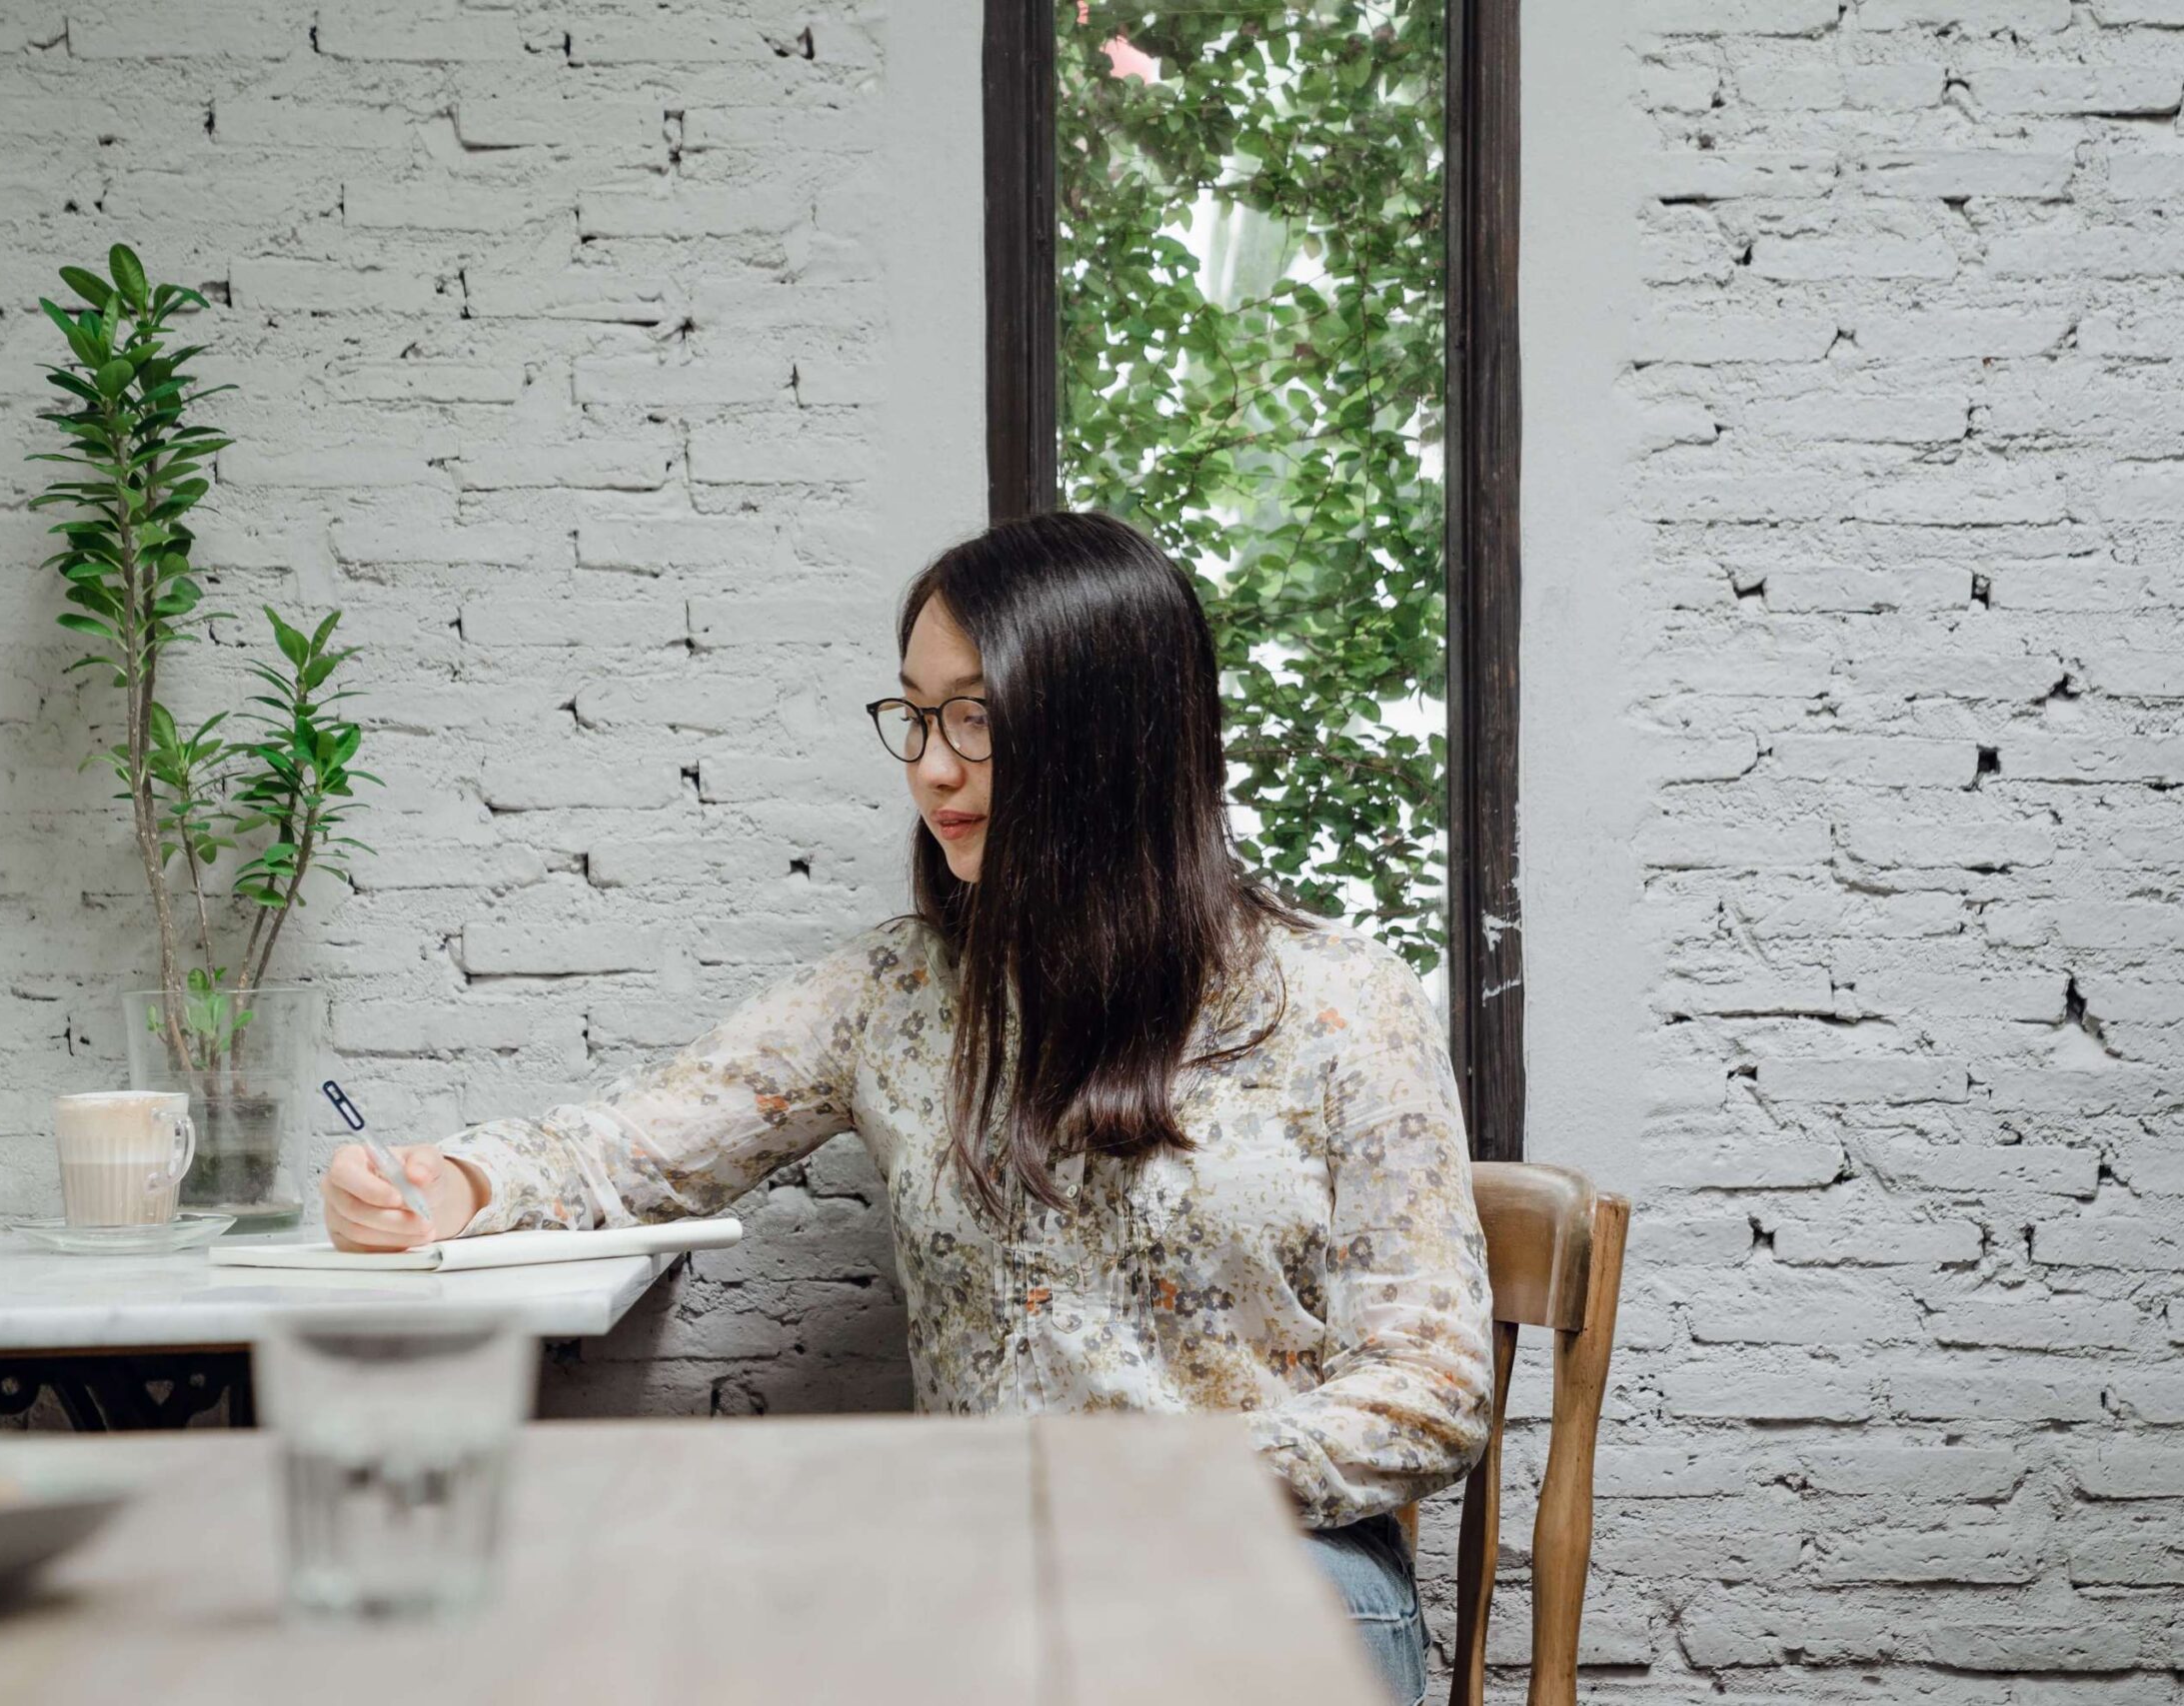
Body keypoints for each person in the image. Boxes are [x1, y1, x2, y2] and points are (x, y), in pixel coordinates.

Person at [323, 510, 1494, 1706]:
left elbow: (1432, 1389)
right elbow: (631, 1146)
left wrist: (1124, 1488)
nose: (931, 767)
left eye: (976, 719)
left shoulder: (1342, 1000)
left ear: (1106, 735)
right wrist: (452, 1184)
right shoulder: (895, 993)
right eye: (918, 716)